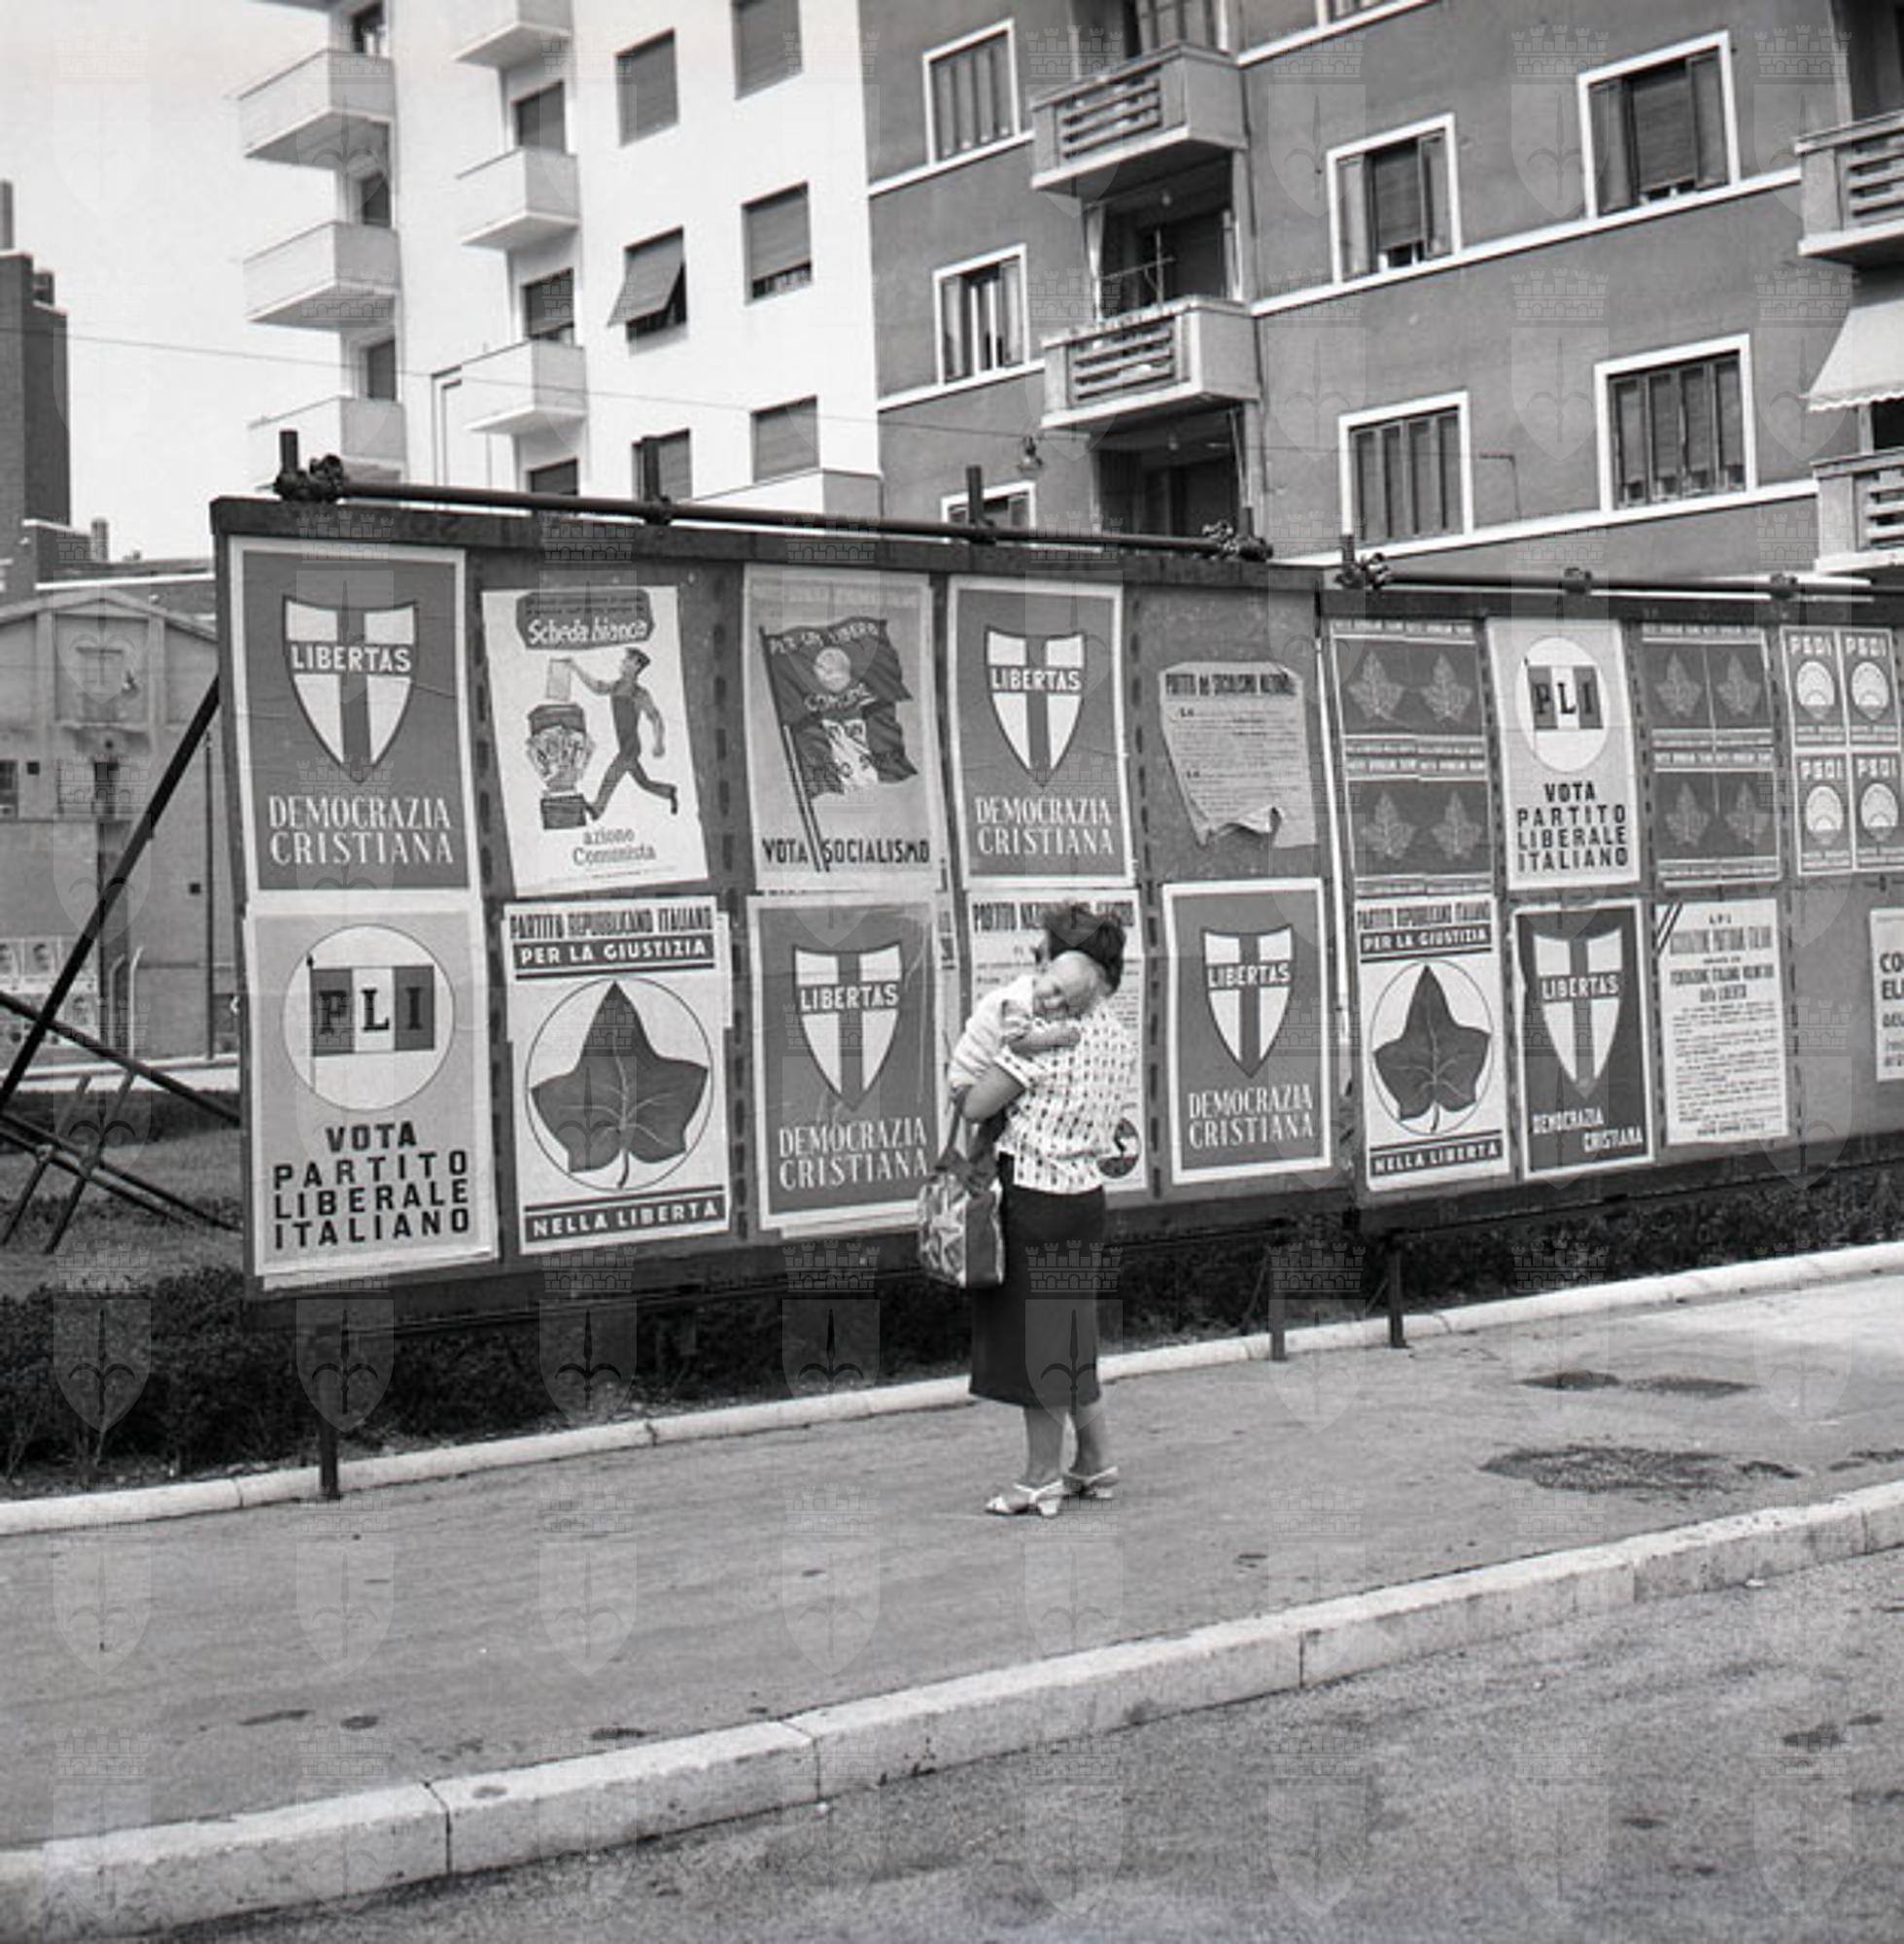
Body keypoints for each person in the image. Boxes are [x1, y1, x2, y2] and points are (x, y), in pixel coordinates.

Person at [957, 907, 1133, 1519]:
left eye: (1044, 957)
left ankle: (1039, 1478)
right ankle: (1095, 1459)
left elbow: (976, 1104)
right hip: (1085, 1198)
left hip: (1034, 1197)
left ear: (1069, 968)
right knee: (1070, 1334)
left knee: (1039, 1343)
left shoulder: (1046, 1033)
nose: (1036, 968)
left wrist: (988, 1056)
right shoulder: (1114, 1033)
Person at [946, 957, 1082, 1101]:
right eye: (1057, 991)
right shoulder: (1017, 1001)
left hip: (976, 1078)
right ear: (1042, 970)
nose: (1054, 1003)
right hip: (968, 1083)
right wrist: (1055, 1038)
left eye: (1064, 1006)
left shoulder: (1032, 992)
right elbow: (1017, 1043)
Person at [568, 646, 678, 822]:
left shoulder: (640, 694)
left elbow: (655, 718)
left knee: (612, 774)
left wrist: (659, 742)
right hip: (625, 745)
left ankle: (598, 808)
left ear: (636, 666)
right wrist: (576, 668)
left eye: (627, 660)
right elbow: (596, 687)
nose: (622, 662)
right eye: (624, 660)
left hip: (631, 748)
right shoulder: (616, 686)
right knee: (643, 783)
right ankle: (669, 791)